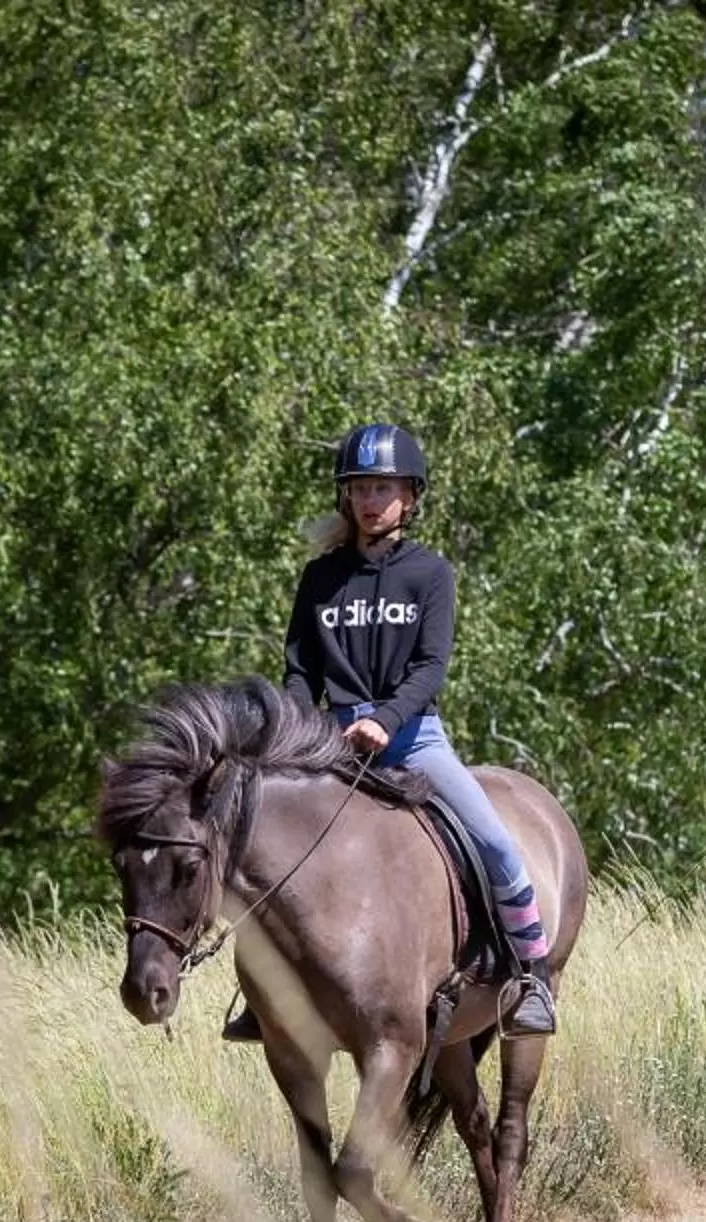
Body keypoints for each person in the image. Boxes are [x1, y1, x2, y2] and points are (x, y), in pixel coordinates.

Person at [228, 423, 556, 1043]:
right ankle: (259, 994)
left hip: (413, 738)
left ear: (410, 495)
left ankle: (531, 974)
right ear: (345, 498)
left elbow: (430, 668)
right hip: (326, 742)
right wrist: (301, 737)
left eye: (384, 488)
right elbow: (299, 671)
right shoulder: (319, 579)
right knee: (263, 844)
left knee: (496, 843)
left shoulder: (429, 574)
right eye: (360, 489)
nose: (371, 500)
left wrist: (384, 719)